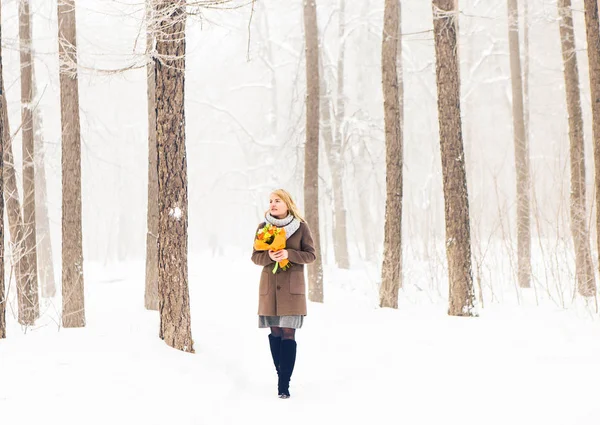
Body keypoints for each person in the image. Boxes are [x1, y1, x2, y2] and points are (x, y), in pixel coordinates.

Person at [251, 189, 316, 399]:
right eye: (270, 201)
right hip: (270, 289)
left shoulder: (301, 227)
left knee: (289, 333)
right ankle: (281, 374)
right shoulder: (263, 228)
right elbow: (255, 257)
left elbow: (311, 255)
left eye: (277, 200)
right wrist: (270, 256)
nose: (273, 204)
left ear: (287, 203)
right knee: (275, 333)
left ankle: (283, 384)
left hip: (292, 290)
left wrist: (290, 254)